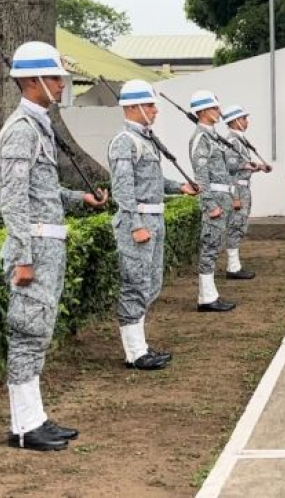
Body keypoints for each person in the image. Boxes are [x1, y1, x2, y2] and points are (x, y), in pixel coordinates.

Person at [0, 41, 108, 451]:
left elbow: (44, 191)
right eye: (56, 77)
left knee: (39, 332)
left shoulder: (39, 126)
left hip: (48, 246)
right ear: (32, 80)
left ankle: (36, 417)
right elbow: (13, 198)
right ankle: (23, 427)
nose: (62, 84)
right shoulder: (21, 132)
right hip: (34, 250)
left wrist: (82, 200)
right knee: (27, 332)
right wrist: (23, 256)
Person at [108, 79, 197, 371]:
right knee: (135, 284)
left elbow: (152, 182)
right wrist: (135, 225)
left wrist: (178, 187)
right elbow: (123, 189)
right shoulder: (125, 141)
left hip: (154, 217)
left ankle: (141, 344)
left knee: (151, 283)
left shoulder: (145, 138)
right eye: (149, 105)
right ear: (132, 107)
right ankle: (134, 352)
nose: (155, 110)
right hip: (140, 220)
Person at [188, 90, 237, 311]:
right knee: (209, 246)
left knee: (215, 245)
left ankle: (210, 294)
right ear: (204, 111)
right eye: (216, 108)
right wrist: (210, 205)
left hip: (223, 197)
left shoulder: (212, 136)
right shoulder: (201, 137)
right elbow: (201, 176)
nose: (219, 111)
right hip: (214, 199)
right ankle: (205, 297)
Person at [221, 104, 269, 279]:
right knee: (236, 226)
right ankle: (232, 267)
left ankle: (235, 265)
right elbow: (230, 167)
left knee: (240, 226)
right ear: (234, 121)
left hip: (243, 187)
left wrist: (258, 167)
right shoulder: (233, 141)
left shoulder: (240, 140)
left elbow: (241, 167)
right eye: (243, 118)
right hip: (238, 189)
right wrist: (234, 196)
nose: (246, 121)